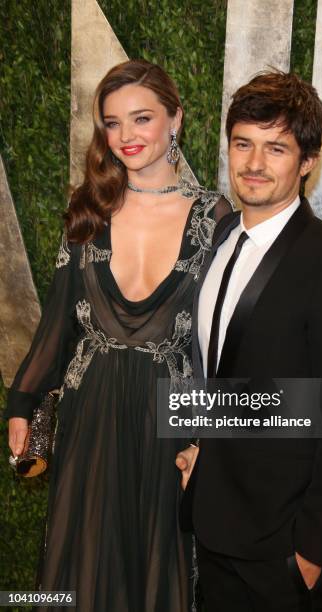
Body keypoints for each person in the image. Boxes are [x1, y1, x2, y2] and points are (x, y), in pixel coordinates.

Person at [6, 59, 231, 612]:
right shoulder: (89, 208)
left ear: (175, 119)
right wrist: (22, 400)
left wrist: (210, 437)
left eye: (141, 119)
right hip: (92, 415)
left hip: (169, 421)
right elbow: (59, 320)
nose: (126, 136)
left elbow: (219, 341)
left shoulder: (214, 217)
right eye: (113, 123)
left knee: (158, 567)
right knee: (82, 562)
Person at [176, 69, 322, 611]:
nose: (254, 164)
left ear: (307, 161)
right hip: (214, 528)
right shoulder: (220, 239)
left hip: (282, 551)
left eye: (276, 148)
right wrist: (201, 445)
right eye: (242, 143)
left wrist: (310, 553)